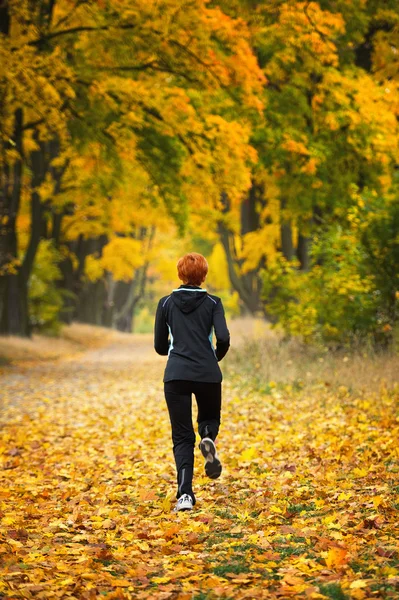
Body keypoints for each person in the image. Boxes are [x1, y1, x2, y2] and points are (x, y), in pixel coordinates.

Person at [154, 252, 230, 511]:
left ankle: (185, 495)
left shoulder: (165, 304)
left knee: (182, 437)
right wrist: (212, 359)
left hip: (176, 375)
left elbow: (159, 346)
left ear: (180, 274)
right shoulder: (213, 302)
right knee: (209, 419)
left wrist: (176, 351)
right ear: (204, 275)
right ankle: (207, 437)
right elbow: (224, 338)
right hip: (208, 374)